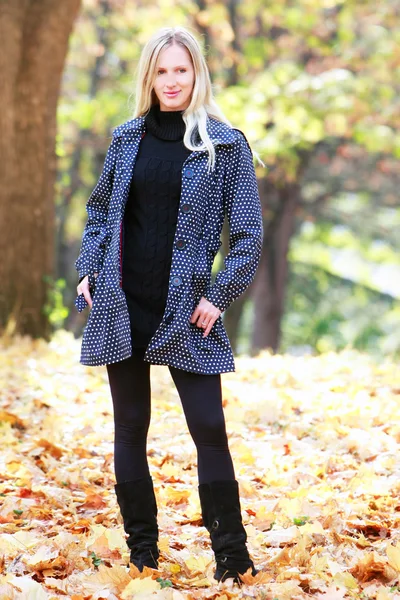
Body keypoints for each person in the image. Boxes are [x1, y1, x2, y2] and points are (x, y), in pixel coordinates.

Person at [75, 26, 263, 585]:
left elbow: (247, 236)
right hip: (121, 302)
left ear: (197, 74)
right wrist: (88, 270)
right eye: (162, 71)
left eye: (181, 70)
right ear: (149, 78)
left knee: (209, 428)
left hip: (187, 311)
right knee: (130, 428)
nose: (172, 80)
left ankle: (233, 558)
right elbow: (98, 212)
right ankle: (143, 554)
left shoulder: (225, 145)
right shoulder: (126, 138)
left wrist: (219, 294)